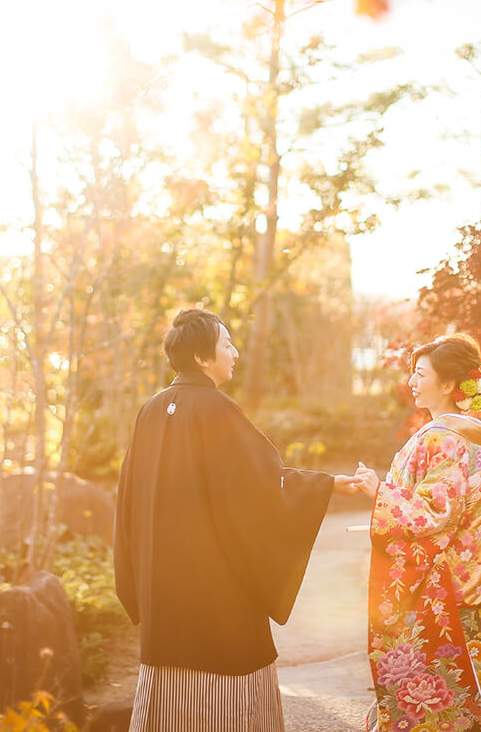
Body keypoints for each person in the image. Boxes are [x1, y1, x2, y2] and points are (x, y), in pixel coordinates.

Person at [114, 308, 360, 732]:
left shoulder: (152, 409)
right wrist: (326, 485)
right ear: (203, 358)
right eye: (227, 344)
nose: (235, 352)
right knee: (225, 681)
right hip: (215, 585)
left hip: (163, 585)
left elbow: (128, 502)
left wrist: (136, 578)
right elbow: (260, 485)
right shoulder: (215, 409)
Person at [353, 333, 481, 732]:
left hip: (444, 595)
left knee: (435, 705)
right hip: (473, 591)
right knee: (468, 696)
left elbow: (435, 513)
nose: (412, 379)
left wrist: (379, 491)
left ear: (447, 384)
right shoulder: (466, 435)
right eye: (413, 371)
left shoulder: (442, 438)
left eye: (420, 372)